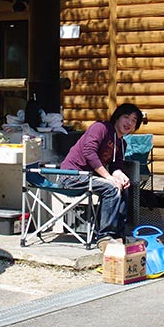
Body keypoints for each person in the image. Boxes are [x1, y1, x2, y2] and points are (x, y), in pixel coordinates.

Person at [59, 103, 143, 245]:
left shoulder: (122, 143)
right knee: (111, 187)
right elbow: (89, 153)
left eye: (134, 120)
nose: (129, 123)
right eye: (126, 117)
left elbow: (116, 166)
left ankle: (119, 235)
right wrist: (109, 177)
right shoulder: (101, 128)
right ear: (117, 117)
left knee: (122, 186)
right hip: (71, 176)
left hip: (89, 178)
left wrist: (120, 176)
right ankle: (105, 236)